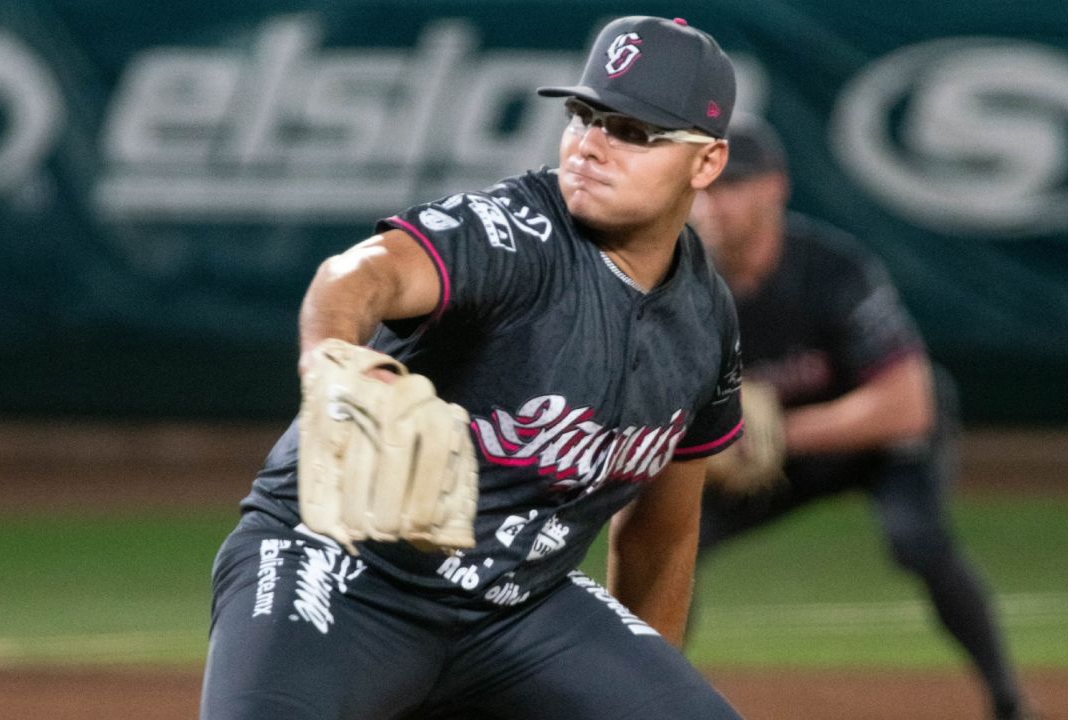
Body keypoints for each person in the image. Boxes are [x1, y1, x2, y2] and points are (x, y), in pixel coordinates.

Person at [200, 16, 748, 720]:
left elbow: (662, 533)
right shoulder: (514, 233)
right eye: (585, 115)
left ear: (706, 164)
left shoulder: (706, 318)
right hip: (343, 572)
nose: (590, 146)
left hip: (521, 611)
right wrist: (332, 361)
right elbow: (358, 276)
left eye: (634, 132)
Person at [687, 116, 1033, 720]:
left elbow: (909, 404)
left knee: (916, 539)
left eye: (730, 185)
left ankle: (1008, 701)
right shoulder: (680, 285)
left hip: (874, 444)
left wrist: (776, 434)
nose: (711, 204)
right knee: (669, 539)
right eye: (701, 186)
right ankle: (636, 697)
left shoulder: (832, 271)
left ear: (775, 188)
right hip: (773, 456)